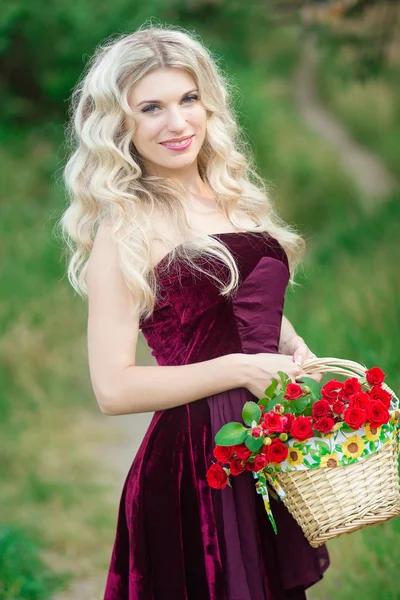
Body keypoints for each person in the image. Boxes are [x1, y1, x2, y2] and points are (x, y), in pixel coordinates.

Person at [60, 23, 330, 600]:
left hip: (262, 446)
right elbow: (113, 389)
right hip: (194, 465)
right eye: (150, 108)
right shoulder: (125, 228)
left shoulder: (231, 194)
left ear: (209, 102)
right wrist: (240, 369)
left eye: (188, 99)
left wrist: (289, 344)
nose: (177, 123)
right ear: (120, 125)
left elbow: (239, 301)